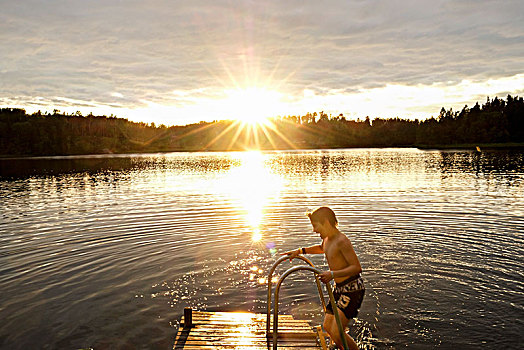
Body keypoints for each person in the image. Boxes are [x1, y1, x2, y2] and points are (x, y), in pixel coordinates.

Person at [282, 206, 365, 350]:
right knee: (328, 326)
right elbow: (322, 248)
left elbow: (357, 267)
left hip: (352, 290)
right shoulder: (327, 239)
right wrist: (300, 251)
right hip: (339, 289)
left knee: (337, 332)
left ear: (326, 222)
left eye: (315, 226)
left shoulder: (342, 241)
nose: (314, 230)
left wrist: (332, 274)